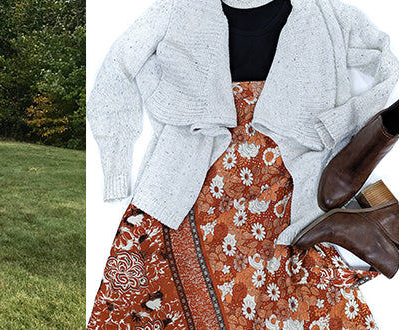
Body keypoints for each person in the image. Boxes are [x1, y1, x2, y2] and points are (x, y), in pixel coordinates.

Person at [86, 0, 399, 328]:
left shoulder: (323, 12)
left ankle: (375, 213)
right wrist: (116, 163)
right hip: (191, 168)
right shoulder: (177, 9)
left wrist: (339, 123)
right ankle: (379, 218)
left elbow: (387, 65)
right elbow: (118, 65)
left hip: (288, 171)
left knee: (295, 262)